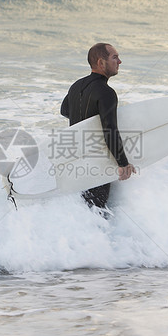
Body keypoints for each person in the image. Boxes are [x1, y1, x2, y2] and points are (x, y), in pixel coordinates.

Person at [60, 42, 136, 210]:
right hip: (97, 161)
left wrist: (84, 120)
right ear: (101, 63)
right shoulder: (106, 92)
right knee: (97, 208)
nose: (120, 62)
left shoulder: (76, 86)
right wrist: (123, 163)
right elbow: (110, 130)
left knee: (84, 206)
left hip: (75, 159)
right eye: (115, 57)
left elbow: (65, 110)